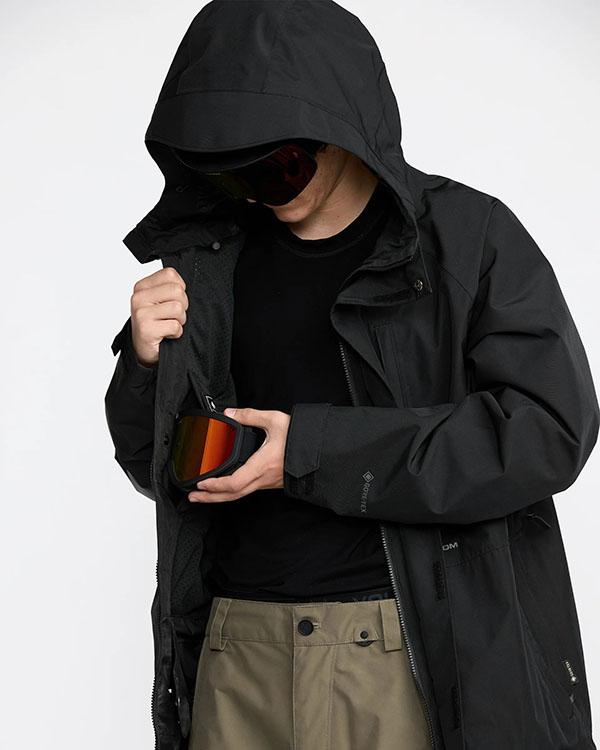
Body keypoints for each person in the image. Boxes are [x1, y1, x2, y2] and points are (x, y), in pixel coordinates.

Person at [104, 2, 599, 749]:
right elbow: (156, 465)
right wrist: (144, 367)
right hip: (236, 649)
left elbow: (547, 431)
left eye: (278, 166)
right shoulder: (209, 263)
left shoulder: (467, 240)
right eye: (233, 175)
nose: (257, 192)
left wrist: (310, 453)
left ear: (343, 132)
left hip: (404, 654)